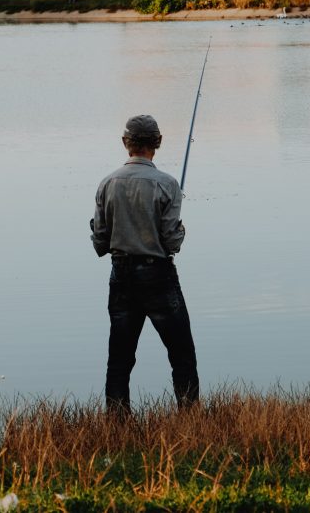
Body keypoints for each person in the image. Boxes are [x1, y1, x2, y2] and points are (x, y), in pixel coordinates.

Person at [91, 115, 199, 414]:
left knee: (120, 358)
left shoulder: (106, 183)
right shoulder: (167, 184)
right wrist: (179, 230)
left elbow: (100, 242)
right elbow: (172, 242)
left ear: (126, 143)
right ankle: (190, 420)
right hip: (158, 276)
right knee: (182, 354)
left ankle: (117, 423)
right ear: (158, 143)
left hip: (121, 274)